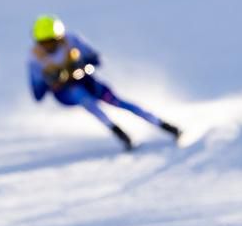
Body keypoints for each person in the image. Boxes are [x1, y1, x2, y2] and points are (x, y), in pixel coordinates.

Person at [28, 14, 182, 150]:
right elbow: (38, 94)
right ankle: (118, 132)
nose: (49, 47)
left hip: (85, 80)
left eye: (52, 42)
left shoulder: (72, 41)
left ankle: (162, 124)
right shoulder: (34, 59)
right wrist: (51, 81)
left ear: (60, 37)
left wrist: (81, 64)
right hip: (66, 93)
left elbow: (96, 59)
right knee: (84, 98)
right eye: (44, 43)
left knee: (117, 101)